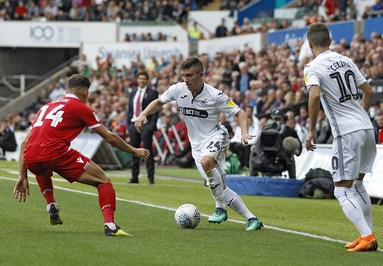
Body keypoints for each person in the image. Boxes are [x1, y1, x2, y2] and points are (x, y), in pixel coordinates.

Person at [13, 74, 150, 237]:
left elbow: (24, 143)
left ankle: (51, 204)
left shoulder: (46, 107)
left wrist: (23, 175)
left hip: (31, 157)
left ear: (66, 90)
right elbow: (110, 137)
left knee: (43, 167)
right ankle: (110, 225)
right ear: (85, 92)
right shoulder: (81, 108)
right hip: (55, 152)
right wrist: (134, 150)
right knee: (103, 181)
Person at [135, 57, 263, 230]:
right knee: (220, 187)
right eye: (183, 76)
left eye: (189, 75)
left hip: (216, 136)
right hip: (196, 146)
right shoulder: (178, 89)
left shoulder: (215, 95)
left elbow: (240, 113)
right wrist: (143, 114)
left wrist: (245, 132)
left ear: (201, 75)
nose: (186, 80)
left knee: (207, 162)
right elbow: (159, 102)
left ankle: (220, 208)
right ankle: (252, 219)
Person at [304, 23, 377, 252]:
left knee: (341, 189)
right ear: (330, 41)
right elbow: (369, 92)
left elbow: (314, 96)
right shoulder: (346, 60)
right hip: (366, 129)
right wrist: (362, 115)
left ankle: (367, 235)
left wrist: (312, 130)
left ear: (309, 44)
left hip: (346, 132)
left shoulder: (312, 67)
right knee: (357, 184)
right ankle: (366, 234)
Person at [126, 71, 159, 184]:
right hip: (133, 124)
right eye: (140, 78)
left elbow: (155, 110)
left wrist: (151, 125)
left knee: (147, 151)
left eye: (144, 79)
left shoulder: (152, 92)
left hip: (146, 125)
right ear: (137, 79)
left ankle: (151, 178)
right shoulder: (133, 92)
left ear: (147, 80)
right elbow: (130, 109)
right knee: (134, 151)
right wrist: (128, 124)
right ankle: (134, 177)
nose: (142, 80)